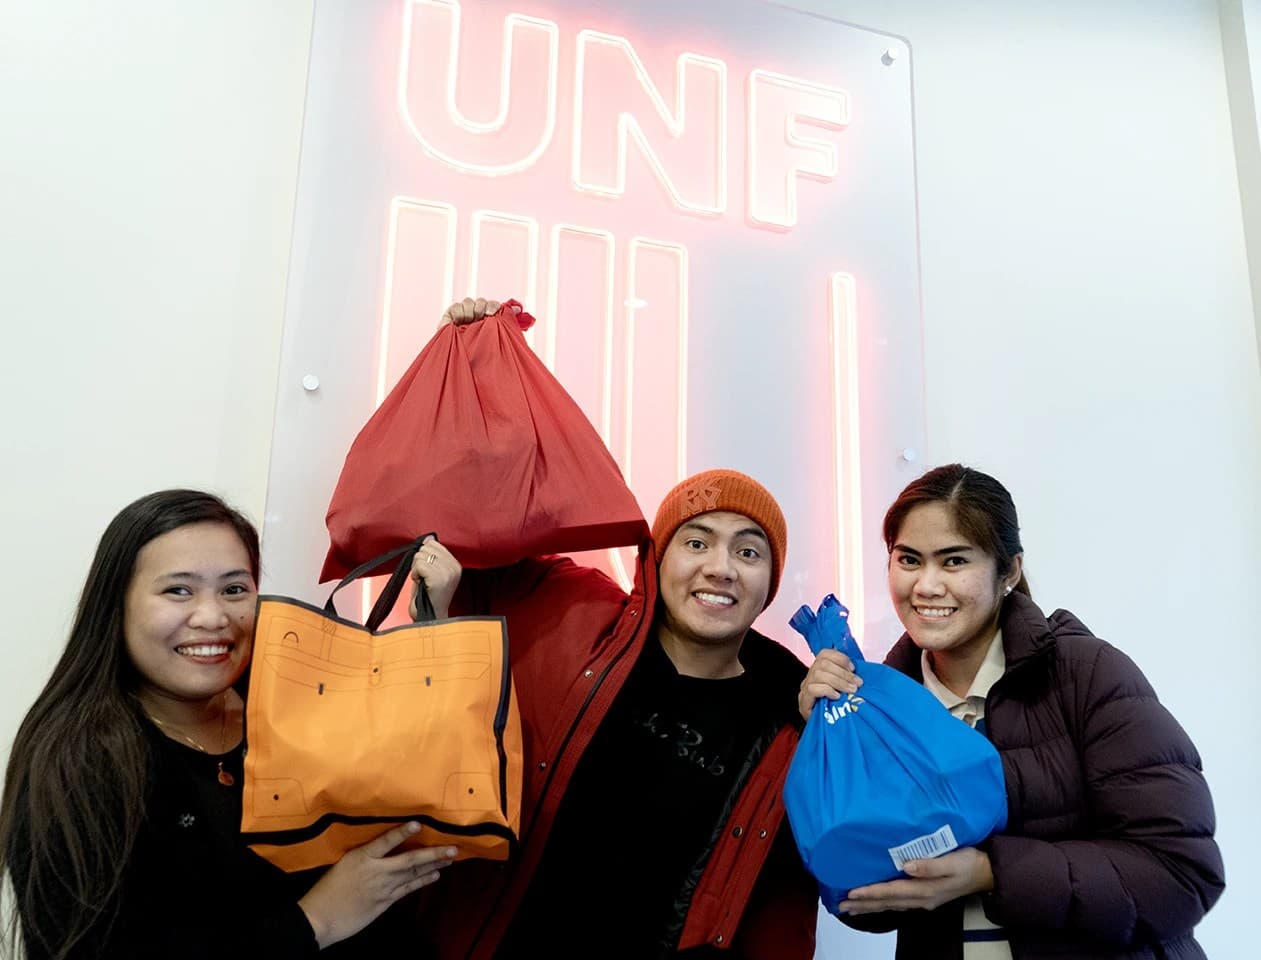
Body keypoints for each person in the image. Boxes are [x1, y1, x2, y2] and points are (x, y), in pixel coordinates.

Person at [405, 298, 861, 959]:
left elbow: (784, 900)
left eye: (748, 551)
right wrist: (473, 357)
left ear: (769, 581)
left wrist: (844, 718)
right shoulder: (570, 611)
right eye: (696, 542)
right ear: (658, 556)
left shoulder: (792, 708)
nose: (721, 569)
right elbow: (479, 501)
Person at [0, 490, 456, 960]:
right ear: (116, 605)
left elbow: (409, 776)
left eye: (235, 589)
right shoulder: (79, 762)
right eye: (178, 590)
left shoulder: (288, 704)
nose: (214, 617)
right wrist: (316, 919)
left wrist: (432, 626)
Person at [799, 464, 1225, 959]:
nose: (927, 586)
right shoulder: (880, 702)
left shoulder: (1088, 675)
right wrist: (826, 742)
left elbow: (1181, 873)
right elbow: (867, 902)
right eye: (909, 560)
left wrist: (990, 872)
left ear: (1010, 571)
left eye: (954, 561)